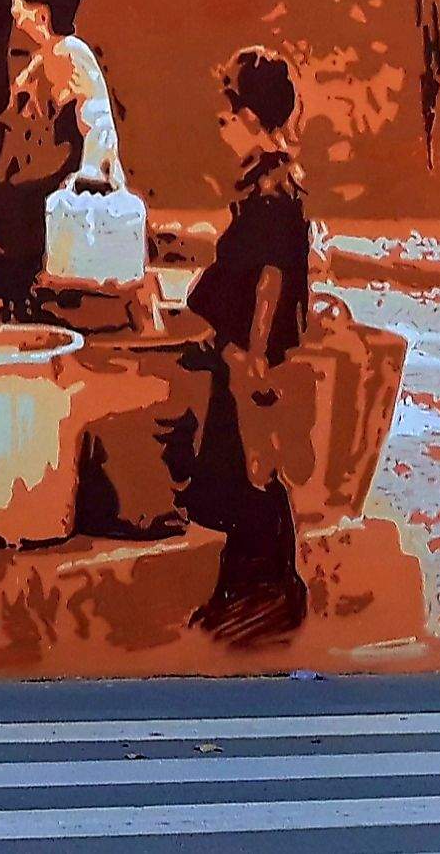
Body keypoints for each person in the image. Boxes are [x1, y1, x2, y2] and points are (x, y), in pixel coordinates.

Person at [187, 45, 313, 645]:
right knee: (241, 472)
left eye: (228, 114)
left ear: (252, 121)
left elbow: (270, 280)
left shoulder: (271, 197)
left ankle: (260, 592)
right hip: (236, 350)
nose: (221, 125)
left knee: (250, 472)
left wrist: (255, 353)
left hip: (246, 356)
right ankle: (250, 590)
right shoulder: (271, 187)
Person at [0, 0, 123, 309]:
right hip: (49, 166)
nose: (13, 11)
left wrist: (91, 176)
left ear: (41, 14)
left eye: (18, 3)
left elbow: (90, 125)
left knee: (19, 213)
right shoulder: (50, 54)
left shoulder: (67, 54)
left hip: (67, 170)